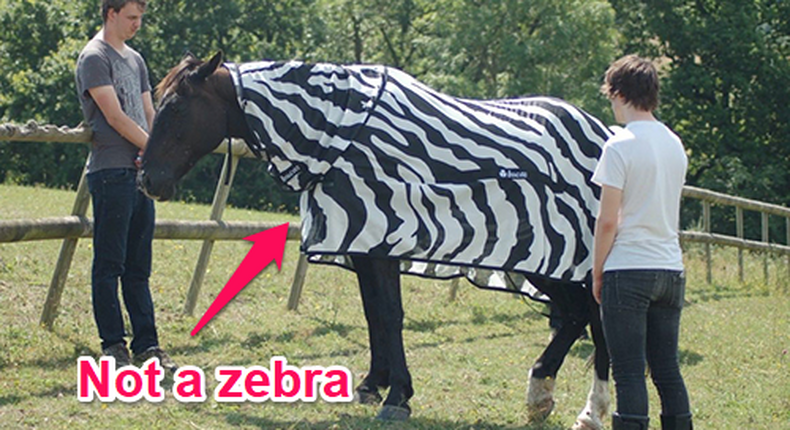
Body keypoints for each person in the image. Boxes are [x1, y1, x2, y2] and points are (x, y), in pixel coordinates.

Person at [592, 55, 692, 430]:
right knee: (667, 369)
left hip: (628, 268)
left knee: (629, 373)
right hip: (670, 268)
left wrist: (597, 271)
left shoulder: (619, 146)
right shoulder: (674, 143)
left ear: (619, 93)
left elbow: (607, 221)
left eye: (610, 96)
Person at [75, 0, 176, 371]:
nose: (137, 24)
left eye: (140, 18)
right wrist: (150, 151)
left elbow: (149, 114)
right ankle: (113, 345)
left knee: (139, 266)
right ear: (111, 13)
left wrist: (153, 153)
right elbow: (115, 116)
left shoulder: (136, 59)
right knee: (109, 264)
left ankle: (148, 345)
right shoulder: (93, 57)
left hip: (137, 173)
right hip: (110, 170)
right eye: (131, 17)